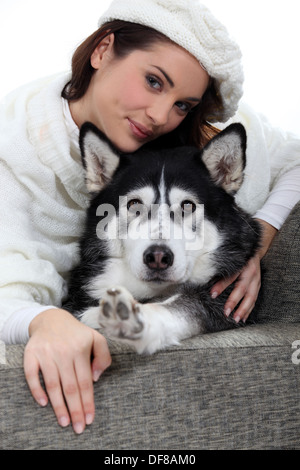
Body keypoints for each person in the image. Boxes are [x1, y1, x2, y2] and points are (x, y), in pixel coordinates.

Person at [0, 0, 299, 434]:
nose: (161, 117)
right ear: (103, 50)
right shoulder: (15, 155)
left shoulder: (199, 136)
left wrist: (261, 235)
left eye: (183, 105)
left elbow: (294, 155)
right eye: (153, 81)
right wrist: (46, 320)